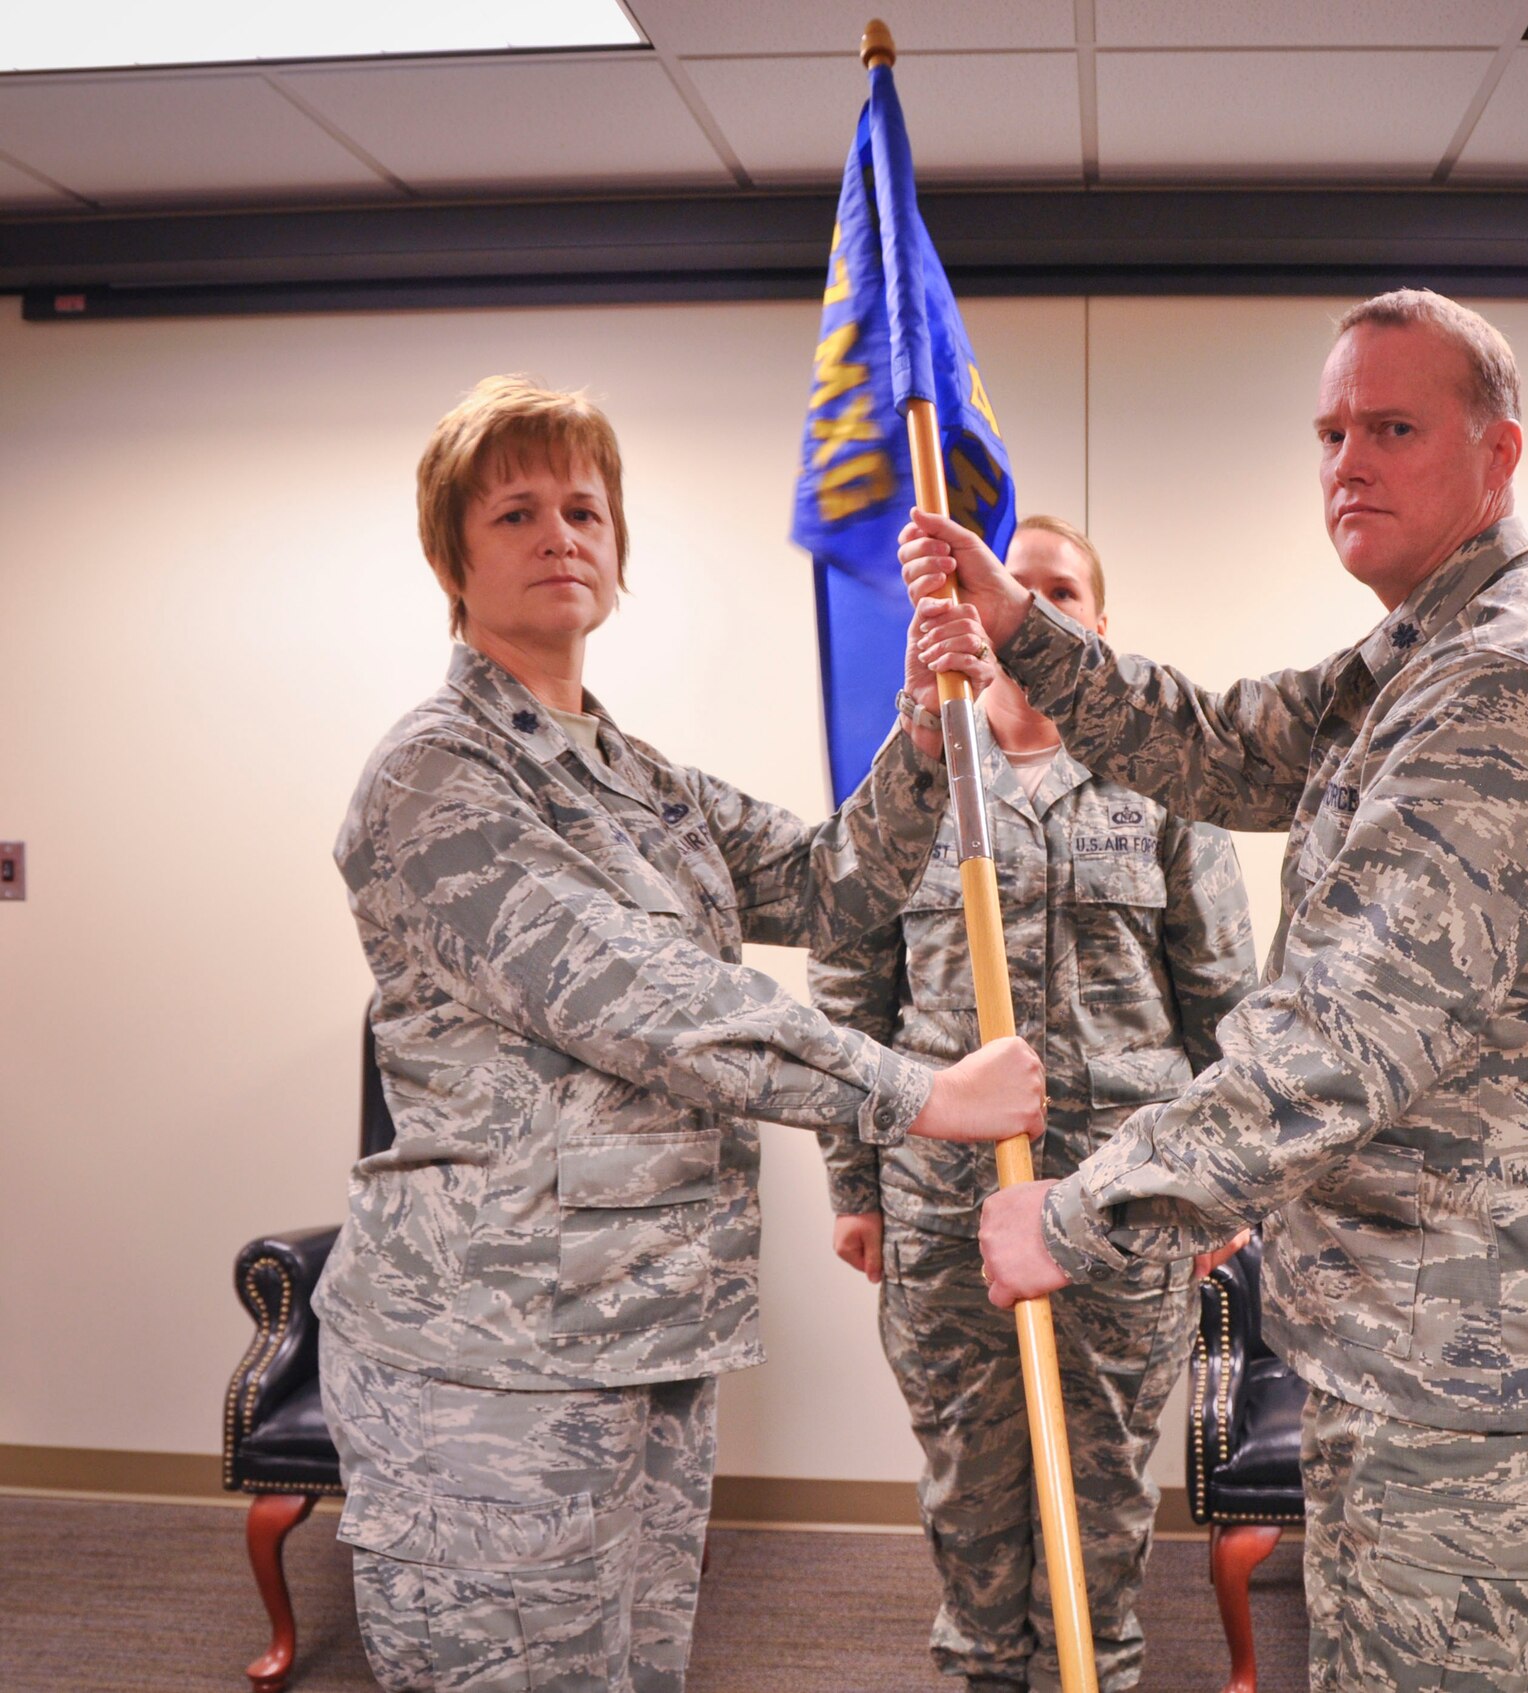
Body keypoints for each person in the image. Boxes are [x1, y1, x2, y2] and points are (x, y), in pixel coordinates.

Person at [902, 291, 1528, 1693]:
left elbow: (1332, 1037)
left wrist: (1078, 1213)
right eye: (1329, 431)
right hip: (1412, 1346)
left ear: (1497, 459)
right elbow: (1223, 745)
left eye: (1393, 427)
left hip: (1480, 1384)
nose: (1347, 464)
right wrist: (1021, 625)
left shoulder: (1506, 689)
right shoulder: (1418, 658)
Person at [313, 374, 1044, 1693]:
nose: (561, 536)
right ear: (451, 557)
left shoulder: (636, 776)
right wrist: (921, 1094)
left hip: (649, 1328)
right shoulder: (436, 774)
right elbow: (650, 1002)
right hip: (495, 1358)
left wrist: (925, 731)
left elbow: (833, 885)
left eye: (585, 509)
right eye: (519, 512)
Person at [811, 515, 1258, 1693]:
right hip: (944, 1210)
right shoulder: (912, 783)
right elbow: (847, 994)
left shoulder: (1163, 792)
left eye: (1059, 591)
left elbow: (1223, 1002)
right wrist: (853, 1188)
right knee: (967, 1484)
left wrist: (1216, 1192)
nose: (1035, 607)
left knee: (1105, 1486)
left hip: (1115, 1209)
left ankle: (1090, 1676)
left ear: (1094, 625)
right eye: (1011, 585)